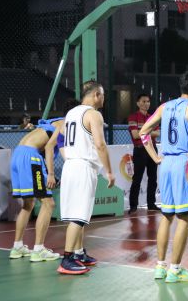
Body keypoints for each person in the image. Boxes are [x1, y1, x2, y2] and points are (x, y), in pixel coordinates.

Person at [139, 71, 188, 283]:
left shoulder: (164, 107)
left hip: (166, 164)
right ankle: (175, 269)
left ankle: (160, 267)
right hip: (185, 164)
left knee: (167, 216)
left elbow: (143, 132)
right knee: (185, 218)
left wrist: (155, 157)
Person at [57, 80, 115, 275]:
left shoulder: (71, 113)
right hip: (83, 166)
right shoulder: (93, 114)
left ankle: (78, 253)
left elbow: (61, 139)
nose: (104, 98)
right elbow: (100, 145)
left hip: (70, 165)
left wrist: (69, 157)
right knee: (79, 216)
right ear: (96, 95)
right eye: (103, 95)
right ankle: (66, 259)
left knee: (78, 214)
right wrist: (109, 171)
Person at [7, 105, 75, 261]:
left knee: (28, 204)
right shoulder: (66, 123)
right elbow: (50, 148)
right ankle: (38, 250)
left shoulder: (54, 121)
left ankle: (17, 247)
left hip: (18, 154)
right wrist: (51, 174)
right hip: (30, 156)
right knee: (48, 204)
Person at [127, 94, 160, 213]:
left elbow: (157, 133)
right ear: (138, 103)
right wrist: (149, 131)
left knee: (153, 178)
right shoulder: (133, 117)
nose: (146, 104)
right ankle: (133, 206)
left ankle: (151, 204)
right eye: (143, 101)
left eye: (148, 101)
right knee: (137, 178)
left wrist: (143, 132)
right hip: (140, 150)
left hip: (153, 149)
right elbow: (135, 135)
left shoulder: (153, 117)